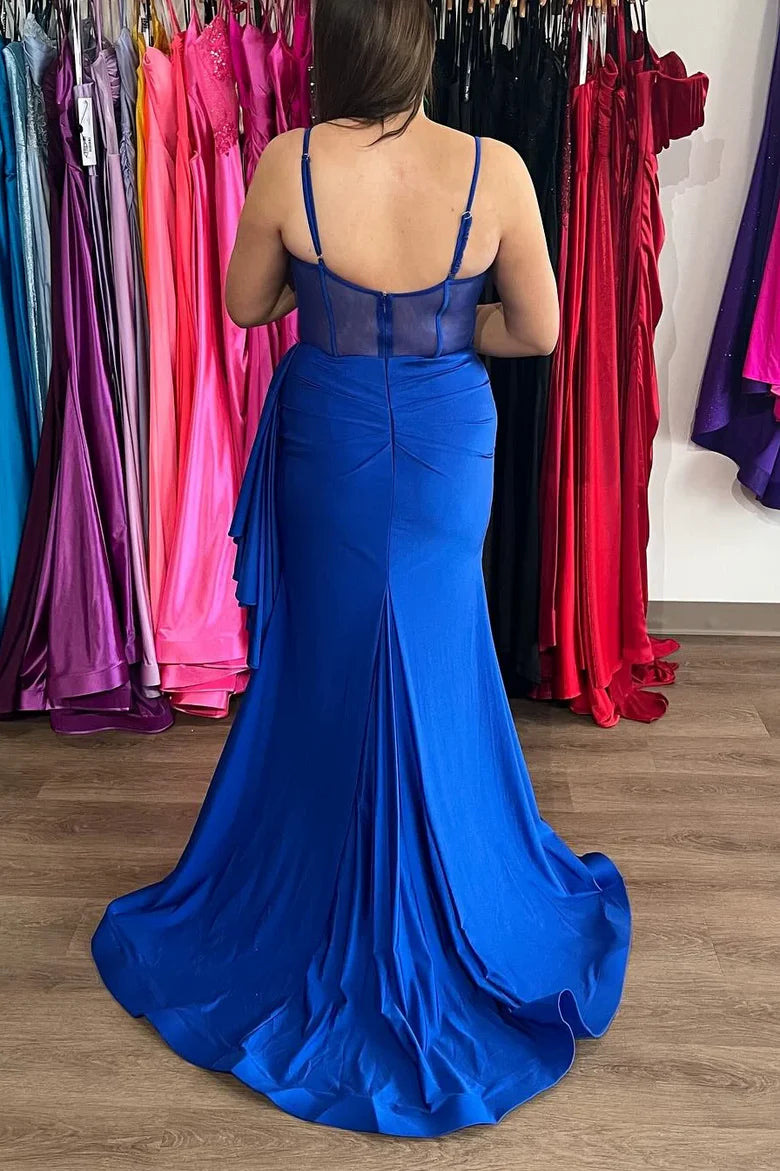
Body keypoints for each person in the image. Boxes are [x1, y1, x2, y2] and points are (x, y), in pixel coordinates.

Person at [92, 0, 631, 1138]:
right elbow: (537, 330)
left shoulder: (290, 163)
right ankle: (465, 882)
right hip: (444, 438)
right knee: (436, 649)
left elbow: (247, 305)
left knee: (333, 658)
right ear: (421, 48)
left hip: (331, 431)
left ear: (333, 51)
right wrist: (442, 326)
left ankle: (314, 886)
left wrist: (326, 295)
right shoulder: (496, 168)